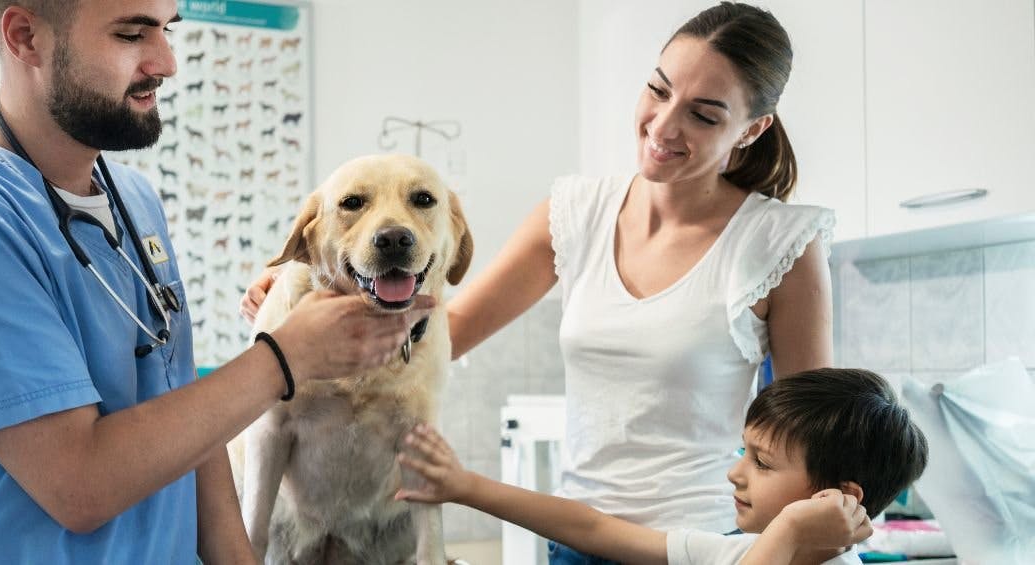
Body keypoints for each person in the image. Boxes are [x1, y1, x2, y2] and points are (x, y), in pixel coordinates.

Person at [242, 3, 833, 561]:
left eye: (703, 114)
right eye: (658, 89)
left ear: (753, 130)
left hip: (704, 547)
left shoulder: (779, 246)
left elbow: (812, 444)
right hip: (574, 539)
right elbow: (448, 326)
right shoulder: (577, 211)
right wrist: (297, 292)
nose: (663, 124)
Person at [0, 1, 431, 563]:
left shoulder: (133, 201)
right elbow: (80, 484)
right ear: (25, 37)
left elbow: (188, 415)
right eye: (132, 35)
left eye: (167, 29)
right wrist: (284, 359)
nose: (166, 61)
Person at [395, 368, 930, 565]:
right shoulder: (734, 551)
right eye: (743, 452)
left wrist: (791, 526)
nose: (735, 473)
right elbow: (593, 527)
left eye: (762, 463)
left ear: (837, 496)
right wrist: (465, 487)